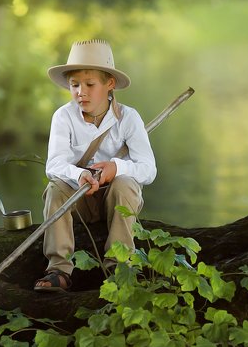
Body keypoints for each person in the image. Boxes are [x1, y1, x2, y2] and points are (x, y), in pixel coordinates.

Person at [34, 39, 157, 292]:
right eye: (74, 85)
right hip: (78, 199)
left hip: (116, 199)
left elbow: (148, 169)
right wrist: (80, 174)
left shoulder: (128, 118)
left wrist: (116, 168)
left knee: (125, 183)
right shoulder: (63, 117)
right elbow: (54, 164)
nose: (81, 92)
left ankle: (119, 266)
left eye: (90, 84)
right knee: (55, 188)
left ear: (109, 84)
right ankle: (59, 269)